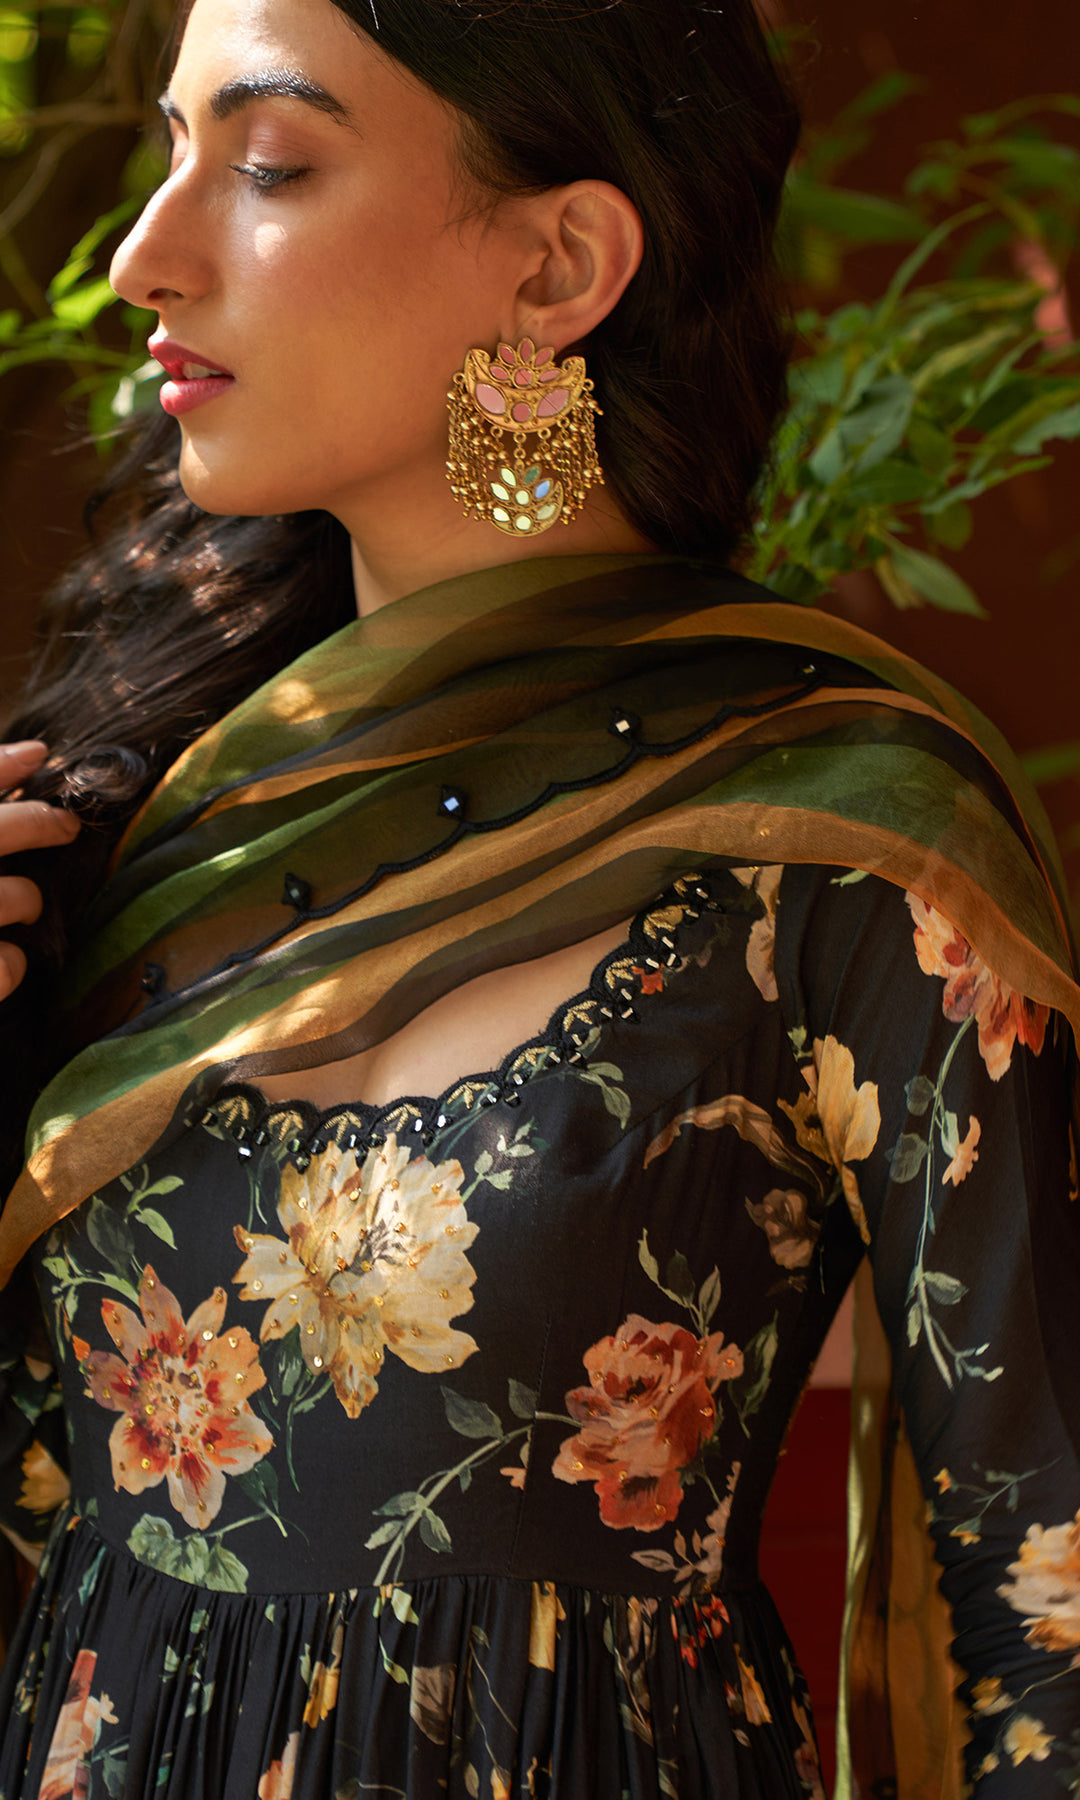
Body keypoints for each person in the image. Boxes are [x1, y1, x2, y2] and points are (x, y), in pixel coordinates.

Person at [0, 1, 1078, 1795]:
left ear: (560, 263)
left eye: (268, 164)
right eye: (167, 153)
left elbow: (1053, 1615)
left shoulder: (839, 835)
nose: (141, 258)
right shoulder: (139, 829)